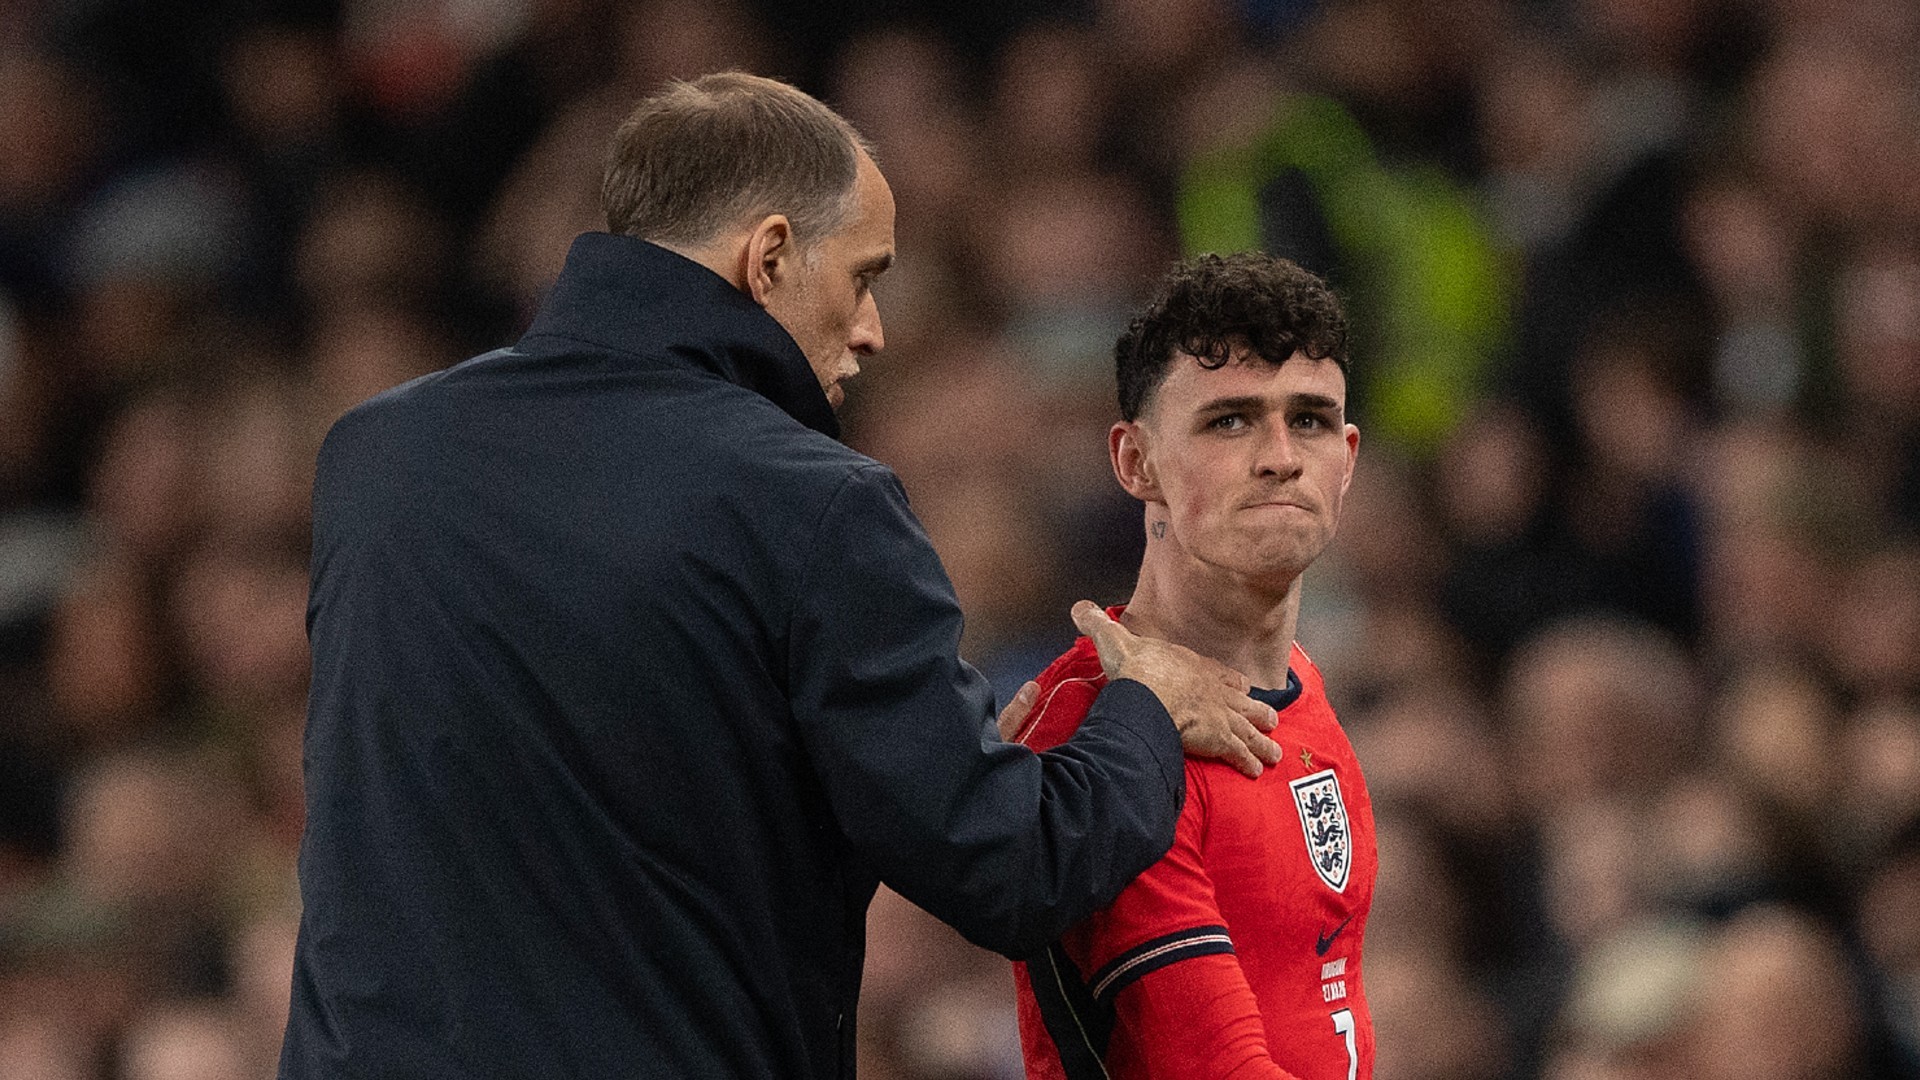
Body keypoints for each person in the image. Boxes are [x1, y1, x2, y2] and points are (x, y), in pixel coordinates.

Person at [279, 73, 1284, 1080]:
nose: (873, 327)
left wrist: (926, 760)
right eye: (862, 275)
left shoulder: (374, 456)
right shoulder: (811, 503)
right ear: (767, 259)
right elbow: (1015, 866)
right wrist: (1143, 711)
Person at [1008, 252, 1377, 1079]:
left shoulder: (1303, 686)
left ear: (1348, 457)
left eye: (1310, 420)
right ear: (1135, 461)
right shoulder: (1100, 732)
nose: (1281, 456)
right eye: (1230, 422)